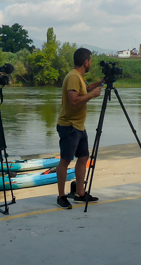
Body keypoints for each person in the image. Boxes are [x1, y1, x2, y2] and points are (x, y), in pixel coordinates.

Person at [55, 48, 104, 209]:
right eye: (90, 60)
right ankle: (61, 196)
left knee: (83, 157)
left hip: (78, 125)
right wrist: (92, 96)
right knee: (65, 160)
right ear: (86, 62)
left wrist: (103, 81)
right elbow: (73, 101)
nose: (91, 63)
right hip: (69, 125)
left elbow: (88, 89)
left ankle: (80, 193)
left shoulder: (79, 77)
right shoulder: (73, 77)